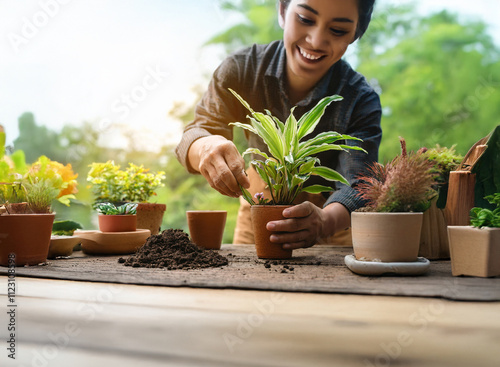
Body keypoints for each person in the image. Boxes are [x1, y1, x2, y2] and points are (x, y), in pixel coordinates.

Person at [176, 0, 382, 250]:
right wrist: (207, 146)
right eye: (305, 19)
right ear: (283, 11)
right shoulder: (242, 69)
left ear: (355, 35)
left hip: (332, 228)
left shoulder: (360, 99)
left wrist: (323, 222)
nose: (316, 41)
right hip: (259, 218)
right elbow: (198, 132)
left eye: (338, 30)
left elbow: (358, 184)